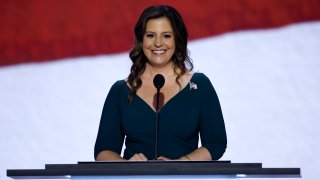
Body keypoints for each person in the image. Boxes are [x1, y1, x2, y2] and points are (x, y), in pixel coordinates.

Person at [94, 5, 227, 161]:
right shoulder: (120, 90)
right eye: (150, 35)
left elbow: (215, 144)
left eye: (166, 36)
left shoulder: (199, 85)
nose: (158, 43)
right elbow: (103, 151)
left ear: (177, 39)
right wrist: (126, 165)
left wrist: (180, 164)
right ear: (141, 40)